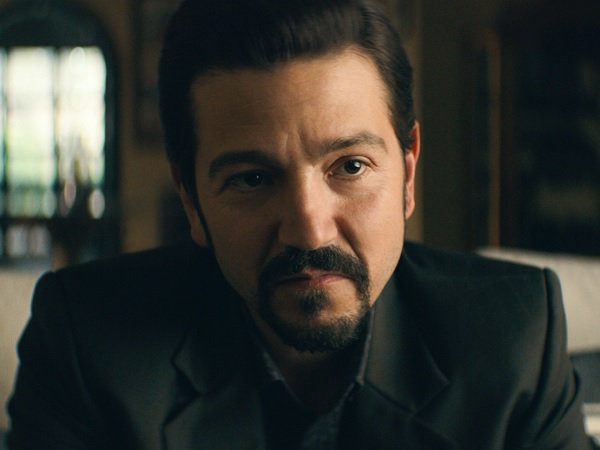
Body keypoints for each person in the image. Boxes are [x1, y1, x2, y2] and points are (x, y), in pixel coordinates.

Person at [6, 0, 594, 448]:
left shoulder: (514, 340)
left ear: (408, 173)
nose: (310, 232)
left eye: (351, 166)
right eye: (253, 179)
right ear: (190, 199)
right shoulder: (89, 345)